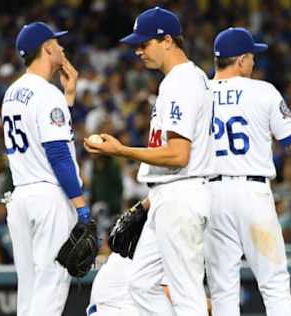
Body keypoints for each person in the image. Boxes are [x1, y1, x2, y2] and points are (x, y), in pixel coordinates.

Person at [85, 7, 214, 316]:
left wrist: (122, 151)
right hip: (167, 194)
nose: (138, 51)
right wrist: (148, 202)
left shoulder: (181, 81)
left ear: (168, 40)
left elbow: (178, 155)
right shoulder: (180, 80)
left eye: (144, 44)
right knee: (142, 285)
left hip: (181, 194)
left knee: (186, 294)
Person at [205, 27, 291, 316]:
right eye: (251, 57)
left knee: (223, 290)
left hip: (211, 194)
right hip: (252, 193)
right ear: (240, 60)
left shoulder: (199, 93)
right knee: (274, 284)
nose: (254, 63)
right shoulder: (263, 91)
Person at [1, 22, 92, 316]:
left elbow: (43, 130)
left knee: (29, 289)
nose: (63, 48)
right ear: (48, 48)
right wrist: (80, 206)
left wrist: (69, 96)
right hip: (48, 198)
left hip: (20, 198)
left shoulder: (12, 93)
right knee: (51, 287)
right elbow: (58, 154)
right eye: (58, 43)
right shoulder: (46, 93)